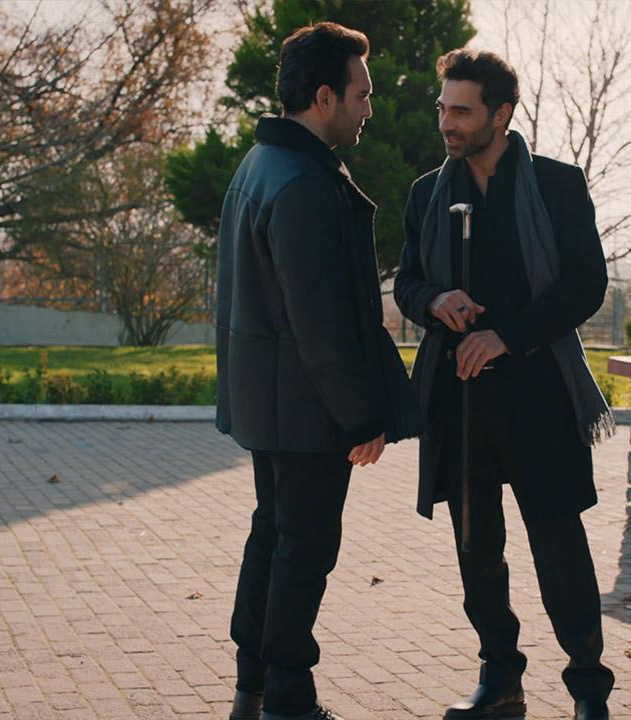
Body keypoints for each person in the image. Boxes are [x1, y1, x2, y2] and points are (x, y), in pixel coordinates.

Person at [394, 49, 617, 720]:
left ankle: (588, 690)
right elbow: (406, 283)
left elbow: (586, 284)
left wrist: (506, 336)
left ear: (501, 114)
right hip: (459, 401)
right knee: (477, 552)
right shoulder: (427, 194)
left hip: (540, 396)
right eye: (443, 109)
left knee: (559, 547)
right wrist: (434, 300)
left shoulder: (557, 186)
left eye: (461, 111)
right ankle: (501, 681)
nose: (446, 123)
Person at [215, 21, 421, 720]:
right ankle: (288, 703)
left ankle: (253, 695)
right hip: (305, 409)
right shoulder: (301, 180)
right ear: (325, 97)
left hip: (270, 403)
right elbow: (319, 321)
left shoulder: (260, 164)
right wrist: (360, 416)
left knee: (273, 540)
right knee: (302, 554)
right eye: (362, 94)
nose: (370, 108)